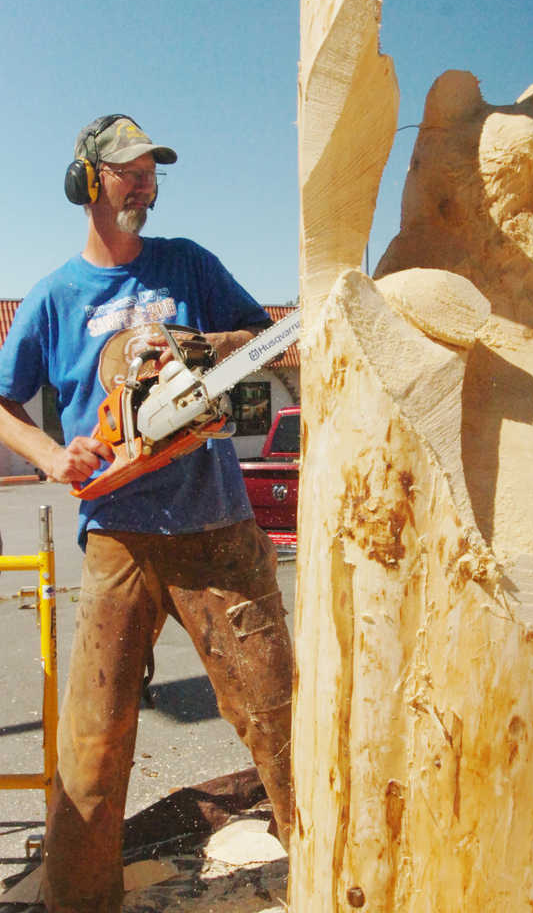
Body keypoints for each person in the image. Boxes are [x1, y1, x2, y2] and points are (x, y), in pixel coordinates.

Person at [0, 115, 293, 913]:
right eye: (127, 170)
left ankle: (339, 869)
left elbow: (265, 341)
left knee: (279, 718)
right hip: (118, 542)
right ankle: (79, 902)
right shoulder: (56, 299)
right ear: (88, 182)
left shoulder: (187, 265)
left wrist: (204, 346)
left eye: (151, 171)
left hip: (217, 531)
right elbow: (1, 400)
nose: (144, 182)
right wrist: (54, 456)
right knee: (91, 754)